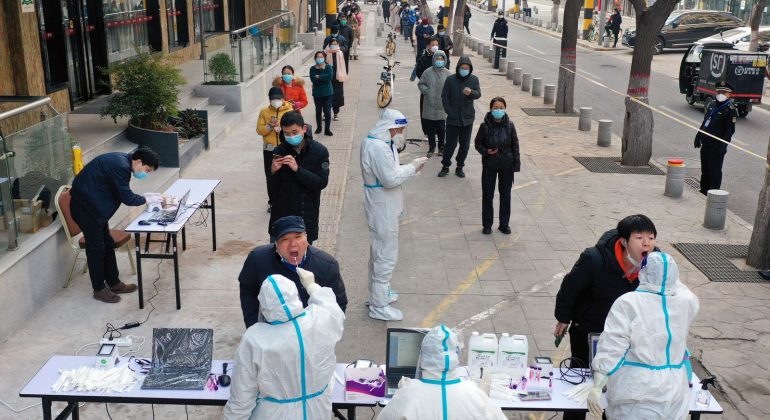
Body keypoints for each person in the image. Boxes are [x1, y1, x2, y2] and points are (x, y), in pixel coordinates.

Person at [554, 214, 657, 420]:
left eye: (651, 238)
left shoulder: (657, 264)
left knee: (617, 386)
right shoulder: (595, 259)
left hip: (626, 338)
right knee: (581, 381)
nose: (646, 243)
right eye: (639, 238)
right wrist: (563, 318)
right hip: (588, 330)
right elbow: (570, 288)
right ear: (623, 242)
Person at [588, 252, 699, 419]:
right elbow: (677, 285)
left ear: (643, 272)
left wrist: (597, 386)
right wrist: (666, 270)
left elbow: (612, 346)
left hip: (638, 392)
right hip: (676, 391)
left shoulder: (628, 302)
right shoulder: (687, 303)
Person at [224, 269, 345, 419]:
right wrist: (311, 285)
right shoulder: (320, 319)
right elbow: (331, 306)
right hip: (318, 410)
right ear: (295, 296)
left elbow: (241, 399)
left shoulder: (255, 338)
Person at [360, 109, 428, 321]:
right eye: (398, 129)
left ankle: (378, 294)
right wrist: (412, 167)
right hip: (383, 206)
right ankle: (379, 306)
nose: (401, 132)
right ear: (389, 127)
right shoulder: (378, 147)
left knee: (379, 250)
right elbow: (389, 178)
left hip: (383, 204)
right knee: (385, 254)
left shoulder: (378, 142)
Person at [69, 148, 158, 303]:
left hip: (94, 208)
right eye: (147, 169)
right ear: (138, 162)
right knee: (96, 248)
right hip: (86, 209)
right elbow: (126, 197)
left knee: (108, 244)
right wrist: (146, 199)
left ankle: (114, 283)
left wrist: (145, 198)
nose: (146, 173)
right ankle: (98, 289)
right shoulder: (120, 166)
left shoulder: (122, 161)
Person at [238, 215, 347, 328]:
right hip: (273, 332)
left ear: (306, 238)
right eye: (285, 239)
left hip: (311, 334)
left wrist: (318, 334)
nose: (293, 244)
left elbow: (339, 305)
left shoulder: (326, 264)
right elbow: (248, 290)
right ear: (276, 244)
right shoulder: (258, 260)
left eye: (298, 237)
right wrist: (254, 326)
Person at [378, 325, 507, 420]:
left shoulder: (408, 395)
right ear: (456, 355)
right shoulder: (474, 393)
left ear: (422, 356)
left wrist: (404, 394)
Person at [268, 111, 329, 244]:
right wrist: (272, 172)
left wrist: (297, 170)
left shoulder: (320, 152)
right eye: (287, 133)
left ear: (304, 129)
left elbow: (321, 182)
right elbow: (273, 190)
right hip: (281, 216)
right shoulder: (279, 152)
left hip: (305, 216)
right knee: (276, 260)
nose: (291, 136)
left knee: (302, 261)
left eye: (295, 132)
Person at [474, 97, 520, 235]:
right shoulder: (485, 126)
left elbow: (515, 145)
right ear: (491, 109)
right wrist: (486, 151)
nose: (498, 110)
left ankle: (504, 224)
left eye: (501, 108)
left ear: (505, 109)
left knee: (506, 195)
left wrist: (516, 164)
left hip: (507, 165)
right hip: (490, 165)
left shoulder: (510, 125)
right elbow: (477, 144)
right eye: (495, 108)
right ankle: (487, 224)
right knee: (488, 195)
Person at [439, 56, 481, 178]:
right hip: (453, 118)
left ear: (470, 68)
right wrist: (449, 111)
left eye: (466, 68)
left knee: (465, 145)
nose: (464, 70)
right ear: (458, 68)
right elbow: (444, 96)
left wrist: (471, 93)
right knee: (450, 144)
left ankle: (460, 166)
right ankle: (445, 165)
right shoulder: (450, 79)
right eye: (462, 68)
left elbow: (478, 94)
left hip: (467, 119)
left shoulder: (474, 79)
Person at [694, 81, 737, 195]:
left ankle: (713, 194)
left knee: (715, 171)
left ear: (729, 94)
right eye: (718, 92)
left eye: (723, 92)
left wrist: (723, 147)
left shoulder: (730, 109)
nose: (720, 94)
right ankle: (703, 191)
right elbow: (705, 122)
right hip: (706, 144)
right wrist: (698, 136)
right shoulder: (712, 104)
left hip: (716, 147)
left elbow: (729, 131)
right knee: (705, 170)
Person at [257, 87, 294, 213]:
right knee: (271, 176)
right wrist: (269, 126)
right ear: (269, 99)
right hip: (269, 150)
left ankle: (285, 201)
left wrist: (281, 130)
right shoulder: (264, 112)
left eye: (278, 98)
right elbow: (259, 130)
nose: (275, 101)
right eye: (273, 99)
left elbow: (293, 129)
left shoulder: (289, 110)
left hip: (285, 148)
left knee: (286, 175)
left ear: (283, 98)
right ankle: (272, 202)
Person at [418, 50, 450, 158]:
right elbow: (421, 84)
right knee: (430, 130)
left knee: (441, 129)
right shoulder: (427, 72)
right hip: (429, 106)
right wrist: (427, 91)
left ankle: (441, 147)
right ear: (434, 59)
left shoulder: (448, 73)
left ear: (445, 60)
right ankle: (431, 147)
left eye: (441, 59)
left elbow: (451, 89)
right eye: (437, 59)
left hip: (441, 107)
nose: (439, 61)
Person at [309, 51, 334, 136]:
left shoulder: (328, 67)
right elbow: (313, 80)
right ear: (315, 58)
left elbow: (329, 77)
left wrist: (319, 77)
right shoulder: (312, 69)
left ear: (324, 57)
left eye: (321, 57)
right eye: (318, 57)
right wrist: (323, 78)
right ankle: (319, 127)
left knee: (327, 111)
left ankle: (327, 129)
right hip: (317, 93)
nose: (319, 58)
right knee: (318, 111)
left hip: (328, 93)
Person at [325, 38, 348, 122]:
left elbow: (343, 65)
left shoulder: (340, 53)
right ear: (329, 44)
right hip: (328, 79)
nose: (334, 46)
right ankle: (326, 113)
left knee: (337, 97)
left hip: (337, 79)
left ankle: (335, 114)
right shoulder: (326, 53)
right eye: (332, 44)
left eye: (335, 44)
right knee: (327, 96)